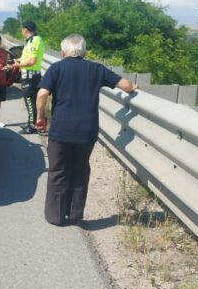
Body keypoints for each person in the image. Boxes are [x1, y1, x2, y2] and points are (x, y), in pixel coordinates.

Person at [35, 34, 137, 226]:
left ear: (63, 53)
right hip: (87, 131)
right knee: (80, 170)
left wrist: (41, 117)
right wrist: (133, 87)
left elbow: (41, 95)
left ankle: (56, 216)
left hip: (61, 130)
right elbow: (125, 85)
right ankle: (75, 215)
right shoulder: (96, 68)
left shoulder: (57, 68)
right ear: (85, 52)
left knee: (58, 171)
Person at [10, 20, 45, 134]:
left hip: (30, 76)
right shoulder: (31, 41)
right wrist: (14, 62)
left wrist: (18, 65)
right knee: (31, 100)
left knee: (29, 100)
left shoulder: (34, 40)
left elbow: (32, 61)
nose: (21, 31)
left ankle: (31, 126)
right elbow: (27, 58)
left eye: (22, 29)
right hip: (30, 75)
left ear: (25, 29)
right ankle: (30, 122)